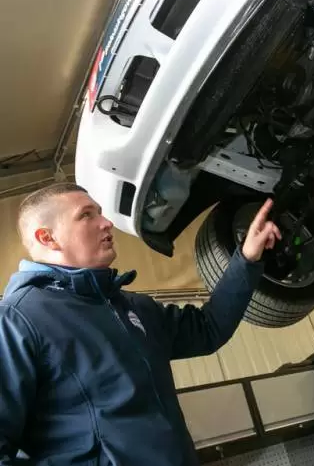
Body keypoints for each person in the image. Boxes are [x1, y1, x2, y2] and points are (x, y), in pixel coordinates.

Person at [0, 182, 282, 465]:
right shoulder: (17, 320)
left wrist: (246, 259)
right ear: (47, 238)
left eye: (100, 212)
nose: (107, 222)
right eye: (86, 215)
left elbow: (207, 329)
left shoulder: (133, 306)